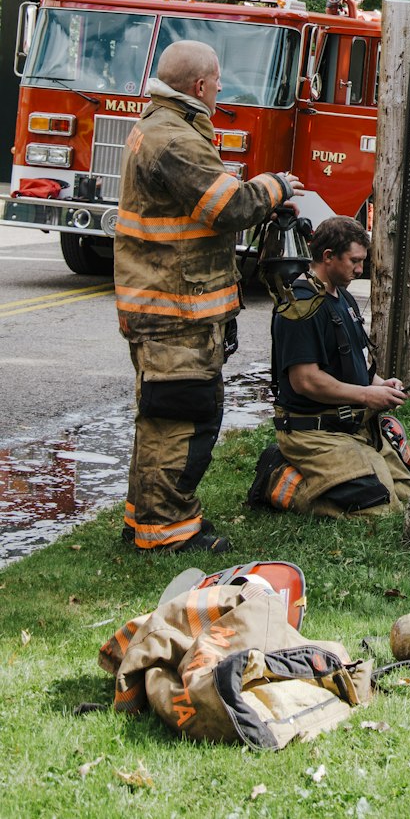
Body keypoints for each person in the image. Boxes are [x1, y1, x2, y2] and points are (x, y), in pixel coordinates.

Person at [115, 40, 303, 554]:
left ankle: (144, 520)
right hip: (174, 310)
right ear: (200, 87)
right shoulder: (174, 139)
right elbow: (228, 207)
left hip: (167, 305)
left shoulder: (162, 127)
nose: (221, 90)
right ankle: (168, 532)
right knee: (180, 418)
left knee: (160, 418)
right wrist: (275, 186)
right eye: (218, 82)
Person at [248, 217, 410, 517]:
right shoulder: (300, 306)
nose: (360, 269)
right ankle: (276, 478)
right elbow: (305, 381)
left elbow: (356, 364)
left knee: (408, 495)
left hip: (354, 427)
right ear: (327, 257)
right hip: (314, 433)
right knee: (380, 509)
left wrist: (380, 385)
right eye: (354, 261)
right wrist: (366, 396)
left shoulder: (343, 296)